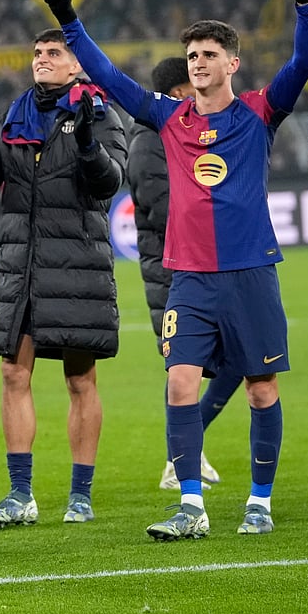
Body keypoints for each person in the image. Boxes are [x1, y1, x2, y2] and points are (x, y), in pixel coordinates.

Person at [45, 0, 308, 538]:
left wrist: (305, 6)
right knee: (179, 383)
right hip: (190, 277)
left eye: (209, 53)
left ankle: (260, 502)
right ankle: (191, 504)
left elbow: (303, 66)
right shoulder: (169, 118)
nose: (197, 62)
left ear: (232, 64)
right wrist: (70, 23)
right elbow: (110, 77)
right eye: (191, 54)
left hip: (250, 272)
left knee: (262, 387)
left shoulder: (259, 114)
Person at [0, 29, 127, 527]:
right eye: (37, 53)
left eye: (52, 53)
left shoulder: (100, 113)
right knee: (14, 373)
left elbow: (109, 182)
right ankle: (21, 494)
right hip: (22, 264)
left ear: (78, 64)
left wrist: (85, 143)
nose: (41, 60)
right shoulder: (13, 115)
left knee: (80, 378)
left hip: (76, 262)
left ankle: (80, 495)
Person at [127, 57, 238, 491]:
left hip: (205, 264)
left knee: (238, 359)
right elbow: (162, 206)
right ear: (177, 93)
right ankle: (178, 459)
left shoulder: (181, 135)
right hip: (174, 269)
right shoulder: (150, 141)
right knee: (184, 368)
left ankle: (186, 450)